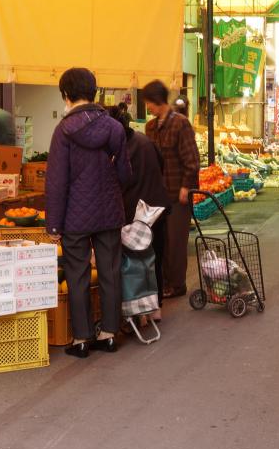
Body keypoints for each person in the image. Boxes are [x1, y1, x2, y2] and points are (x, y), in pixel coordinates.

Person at [45, 68, 131, 358]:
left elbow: (56, 181)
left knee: (78, 274)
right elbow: (125, 174)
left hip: (75, 217)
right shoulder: (115, 128)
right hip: (108, 212)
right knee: (109, 271)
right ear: (93, 93)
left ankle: (81, 338)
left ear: (66, 95)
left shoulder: (63, 132)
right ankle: (109, 334)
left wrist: (53, 223)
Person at [109, 106, 170, 317]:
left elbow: (118, 182)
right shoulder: (145, 141)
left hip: (136, 212)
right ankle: (156, 307)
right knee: (155, 258)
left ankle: (140, 312)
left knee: (136, 263)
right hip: (158, 208)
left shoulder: (119, 150)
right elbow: (161, 166)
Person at [143, 80, 200, 299]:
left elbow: (192, 160)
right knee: (160, 241)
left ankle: (177, 285)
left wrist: (186, 186)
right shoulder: (150, 127)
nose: (148, 107)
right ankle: (163, 282)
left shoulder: (180, 124)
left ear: (157, 101)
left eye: (149, 102)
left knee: (176, 241)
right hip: (157, 193)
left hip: (178, 193)